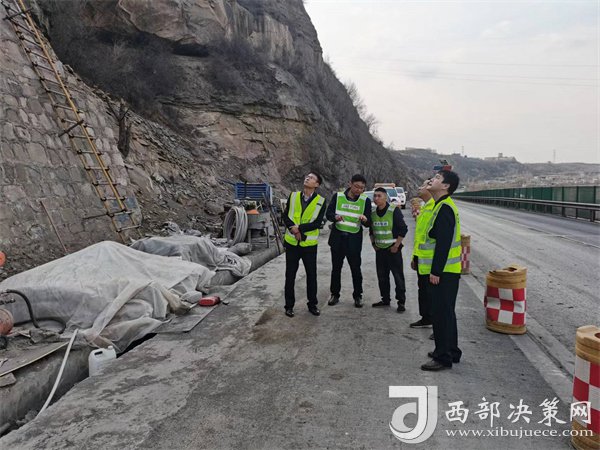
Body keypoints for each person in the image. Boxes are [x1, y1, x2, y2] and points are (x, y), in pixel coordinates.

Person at [419, 170, 462, 371]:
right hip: (447, 271)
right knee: (447, 312)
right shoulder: (440, 205)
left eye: (437, 178)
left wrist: (436, 271)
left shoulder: (444, 208)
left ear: (445, 186)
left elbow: (443, 244)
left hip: (443, 272)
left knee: (440, 314)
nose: (432, 180)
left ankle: (442, 357)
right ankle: (452, 351)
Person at [282, 172, 327, 317]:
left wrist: (299, 229)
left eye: (312, 178)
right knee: (290, 276)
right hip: (292, 244)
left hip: (309, 245)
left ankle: (312, 304)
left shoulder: (321, 201)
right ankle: (289, 306)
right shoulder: (293, 196)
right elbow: (285, 215)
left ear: (317, 184)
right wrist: (293, 229)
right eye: (307, 176)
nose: (307, 178)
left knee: (311, 275)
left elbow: (317, 223)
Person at [325, 174, 371, 308]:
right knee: (336, 269)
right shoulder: (338, 197)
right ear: (350, 183)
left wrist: (365, 219)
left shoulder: (365, 200)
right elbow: (328, 214)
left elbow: (369, 222)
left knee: (356, 269)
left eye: (362, 188)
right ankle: (335, 294)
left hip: (354, 240)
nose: (358, 190)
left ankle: (358, 295)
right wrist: (335, 217)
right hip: (338, 239)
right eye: (356, 186)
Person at [369, 187, 408, 312]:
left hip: (393, 251)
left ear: (385, 197)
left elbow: (403, 229)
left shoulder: (393, 210)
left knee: (398, 277)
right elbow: (371, 231)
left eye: (379, 196)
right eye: (375, 196)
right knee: (382, 277)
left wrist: (396, 246)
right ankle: (385, 299)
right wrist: (373, 244)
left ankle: (401, 302)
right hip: (380, 251)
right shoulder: (373, 213)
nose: (376, 198)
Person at [409, 179, 435, 328]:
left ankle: (438, 326)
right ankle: (426, 318)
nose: (420, 187)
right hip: (422, 259)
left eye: (424, 185)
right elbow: (420, 237)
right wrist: (415, 257)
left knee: (434, 295)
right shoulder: (425, 207)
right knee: (423, 291)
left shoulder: (436, 207)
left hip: (432, 262)